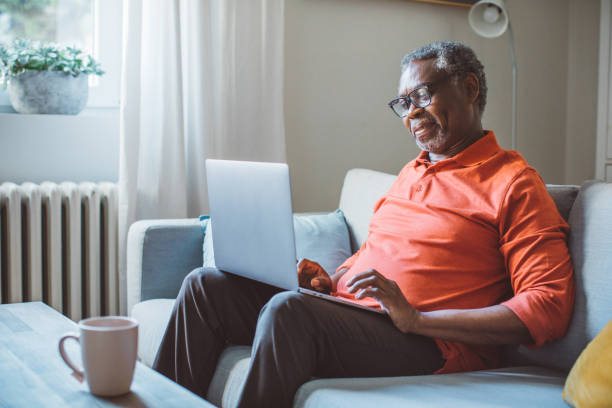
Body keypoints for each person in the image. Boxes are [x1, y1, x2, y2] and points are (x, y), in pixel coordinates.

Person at [153, 41, 574, 408]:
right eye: (403, 104)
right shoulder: (412, 172)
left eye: (422, 95)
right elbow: (382, 254)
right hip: (358, 316)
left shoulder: (513, 182)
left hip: (427, 342)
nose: (411, 114)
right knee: (204, 287)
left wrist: (417, 320)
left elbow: (548, 305)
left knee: (289, 312)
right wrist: (330, 280)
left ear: (469, 87)